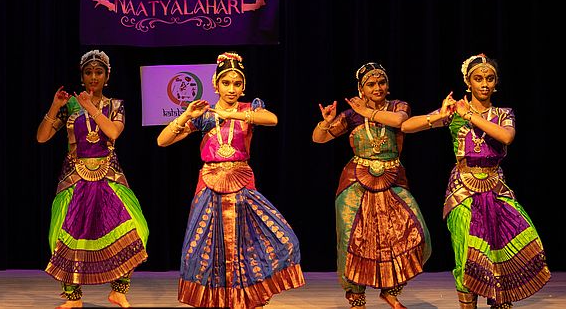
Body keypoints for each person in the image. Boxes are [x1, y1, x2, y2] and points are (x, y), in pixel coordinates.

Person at [401, 54, 550, 309]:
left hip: (495, 187)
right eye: (478, 79)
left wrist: (469, 115)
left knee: (504, 246)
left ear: (496, 83)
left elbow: (506, 137)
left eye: (489, 79)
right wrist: (438, 116)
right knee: (466, 250)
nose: (484, 84)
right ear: (468, 83)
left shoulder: (503, 114)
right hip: (462, 190)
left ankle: (499, 300)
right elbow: (406, 127)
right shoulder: (453, 112)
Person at [157, 52, 304, 309]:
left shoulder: (249, 109)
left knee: (257, 243)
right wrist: (187, 115)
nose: (232, 89)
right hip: (209, 185)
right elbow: (163, 140)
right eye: (226, 83)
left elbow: (272, 119)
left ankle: (245, 299)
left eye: (237, 83)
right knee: (205, 248)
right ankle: (216, 301)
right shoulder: (204, 116)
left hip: (242, 184)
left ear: (243, 86)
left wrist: (233, 115)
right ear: (216, 84)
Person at [312, 62, 431, 309]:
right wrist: (326, 122)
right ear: (361, 89)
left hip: (393, 179)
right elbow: (319, 138)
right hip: (355, 182)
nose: (377, 88)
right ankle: (356, 296)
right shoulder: (350, 116)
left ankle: (391, 288)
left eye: (381, 83)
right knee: (351, 240)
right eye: (371, 84)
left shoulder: (398, 106)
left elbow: (399, 121)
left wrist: (368, 112)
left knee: (416, 235)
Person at [36, 50, 148, 309]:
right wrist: (55, 106)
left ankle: (119, 290)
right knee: (65, 235)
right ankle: (73, 297)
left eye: (99, 72)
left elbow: (113, 132)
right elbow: (42, 138)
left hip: (109, 176)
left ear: (107, 77)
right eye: (89, 72)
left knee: (136, 229)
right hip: (75, 177)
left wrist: (90, 107)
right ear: (83, 76)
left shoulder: (115, 106)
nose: (93, 77)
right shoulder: (69, 107)